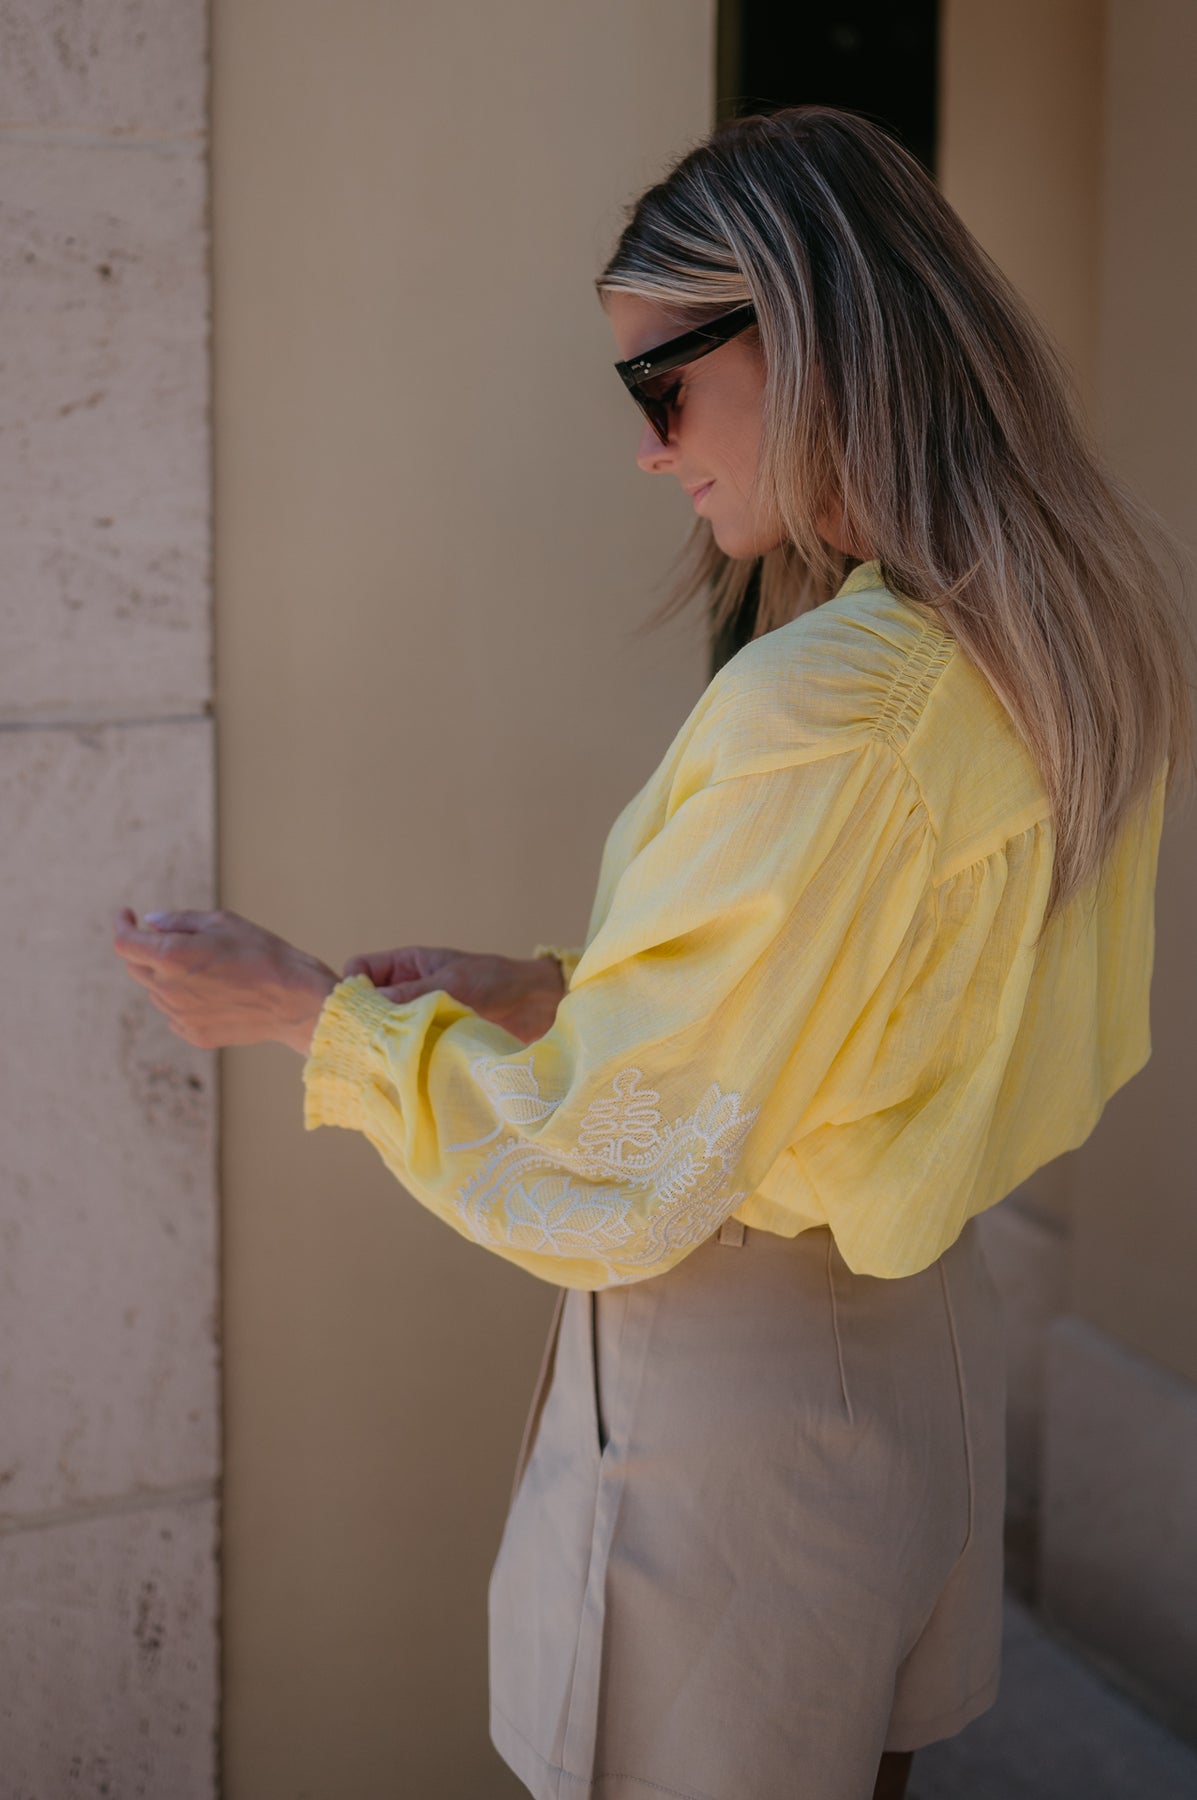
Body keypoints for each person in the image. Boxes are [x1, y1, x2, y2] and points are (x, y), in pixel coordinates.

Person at [113, 106, 1193, 1800]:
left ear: (806, 329)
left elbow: (608, 1178)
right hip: (914, 1355)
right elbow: (863, 991)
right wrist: (549, 985)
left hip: (735, 1395)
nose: (644, 448)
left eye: (657, 385)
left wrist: (303, 1014)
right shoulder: (1048, 639)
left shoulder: (828, 706)